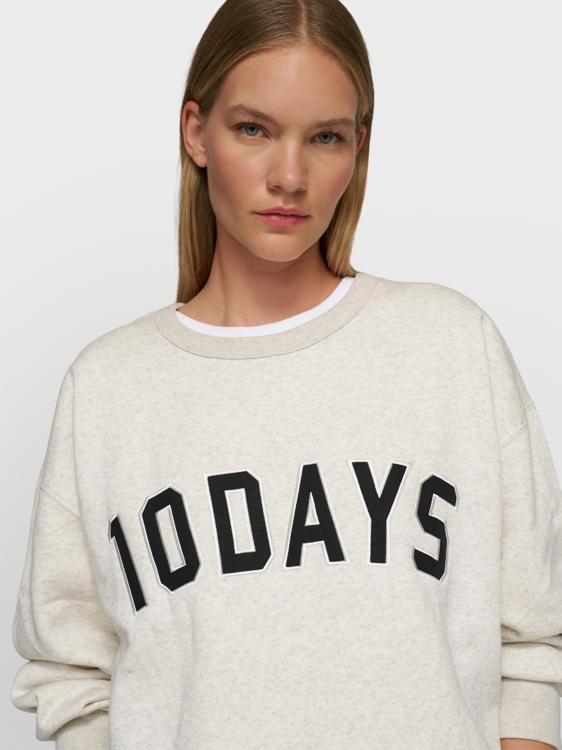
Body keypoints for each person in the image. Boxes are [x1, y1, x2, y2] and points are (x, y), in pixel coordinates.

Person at [10, 1, 562, 749]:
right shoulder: (108, 388)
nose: (291, 176)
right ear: (195, 131)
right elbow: (71, 670)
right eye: (254, 129)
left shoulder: (451, 345)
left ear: (359, 145)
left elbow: (532, 643)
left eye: (325, 137)